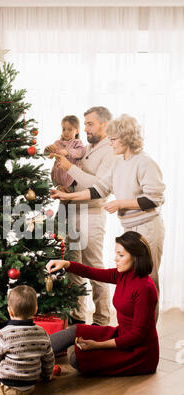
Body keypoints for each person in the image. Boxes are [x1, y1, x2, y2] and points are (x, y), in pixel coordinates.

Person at [51, 114, 165, 321]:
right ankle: (133, 328)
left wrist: (121, 203)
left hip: (148, 228)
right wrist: (67, 195)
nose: (110, 143)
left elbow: (154, 199)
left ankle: (147, 334)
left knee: (148, 282)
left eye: (113, 139)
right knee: (132, 282)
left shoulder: (145, 162)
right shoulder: (119, 162)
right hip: (130, 229)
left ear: (126, 137)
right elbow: (98, 189)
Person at [46, 231, 159, 376]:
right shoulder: (123, 274)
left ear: (136, 256)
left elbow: (137, 336)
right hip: (120, 336)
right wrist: (66, 264)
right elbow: (91, 272)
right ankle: (26, 350)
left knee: (75, 358)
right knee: (75, 330)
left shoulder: (145, 289)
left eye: (121, 255)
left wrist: (97, 345)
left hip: (138, 352)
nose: (115, 259)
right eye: (116, 253)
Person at [50, 107, 115, 327]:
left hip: (93, 215)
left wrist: (70, 167)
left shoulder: (109, 151)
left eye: (89, 124)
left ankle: (101, 320)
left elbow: (99, 186)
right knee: (74, 267)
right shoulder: (85, 149)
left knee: (95, 268)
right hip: (74, 212)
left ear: (104, 125)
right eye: (85, 124)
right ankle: (77, 316)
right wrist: (61, 182)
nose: (85, 128)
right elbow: (74, 178)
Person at [0, 285, 55, 395]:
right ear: (35, 310)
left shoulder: (4, 334)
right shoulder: (42, 333)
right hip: (30, 386)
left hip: (6, 388)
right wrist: (47, 376)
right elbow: (49, 360)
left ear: (10, 311)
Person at [44, 115, 86, 188]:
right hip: (58, 176)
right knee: (60, 195)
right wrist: (48, 150)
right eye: (64, 129)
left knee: (70, 195)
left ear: (77, 131)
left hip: (71, 177)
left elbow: (81, 152)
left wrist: (68, 152)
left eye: (69, 129)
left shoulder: (77, 142)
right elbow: (49, 155)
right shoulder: (57, 143)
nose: (66, 132)